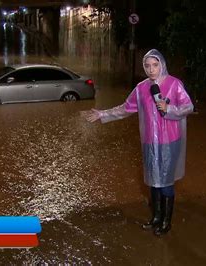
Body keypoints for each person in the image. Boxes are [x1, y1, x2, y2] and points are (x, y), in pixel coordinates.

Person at [81, 49, 194, 236]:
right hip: (149, 141)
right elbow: (126, 108)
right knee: (153, 181)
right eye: (147, 66)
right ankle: (156, 217)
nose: (151, 69)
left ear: (162, 64)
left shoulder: (174, 84)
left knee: (165, 182)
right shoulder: (141, 88)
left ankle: (166, 222)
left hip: (169, 142)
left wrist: (169, 108)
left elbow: (188, 106)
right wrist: (102, 114)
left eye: (155, 65)